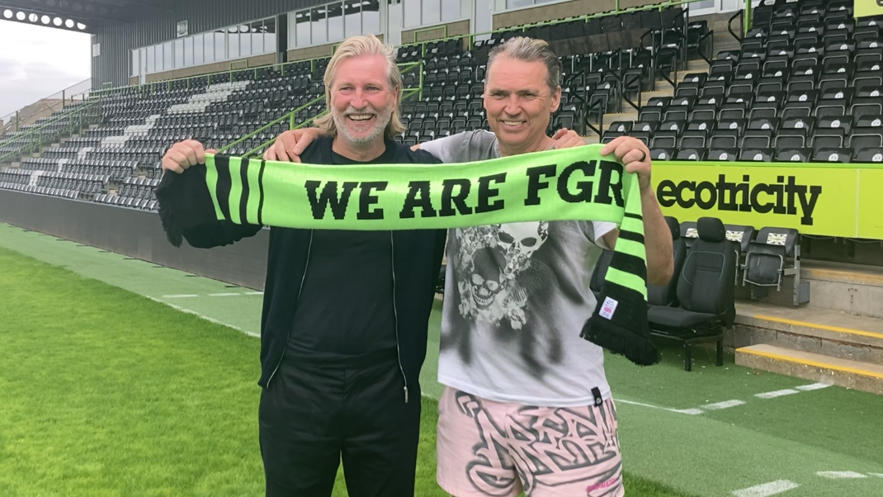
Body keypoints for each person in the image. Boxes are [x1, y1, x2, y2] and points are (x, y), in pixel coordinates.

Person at [263, 37, 673, 497]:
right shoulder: (456, 155)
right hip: (469, 402)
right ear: (484, 98)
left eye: (527, 95)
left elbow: (657, 271)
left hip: (564, 405)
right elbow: (371, 147)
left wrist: (644, 193)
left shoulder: (580, 169)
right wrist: (315, 134)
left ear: (555, 98)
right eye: (499, 94)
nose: (511, 108)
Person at [159, 34, 447, 497]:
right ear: (329, 96)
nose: (359, 102)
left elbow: (510, 170)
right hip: (295, 386)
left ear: (394, 96)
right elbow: (209, 231)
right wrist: (184, 171)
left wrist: (562, 148)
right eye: (346, 89)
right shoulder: (290, 166)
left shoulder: (426, 178)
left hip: (388, 391)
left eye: (372, 89)